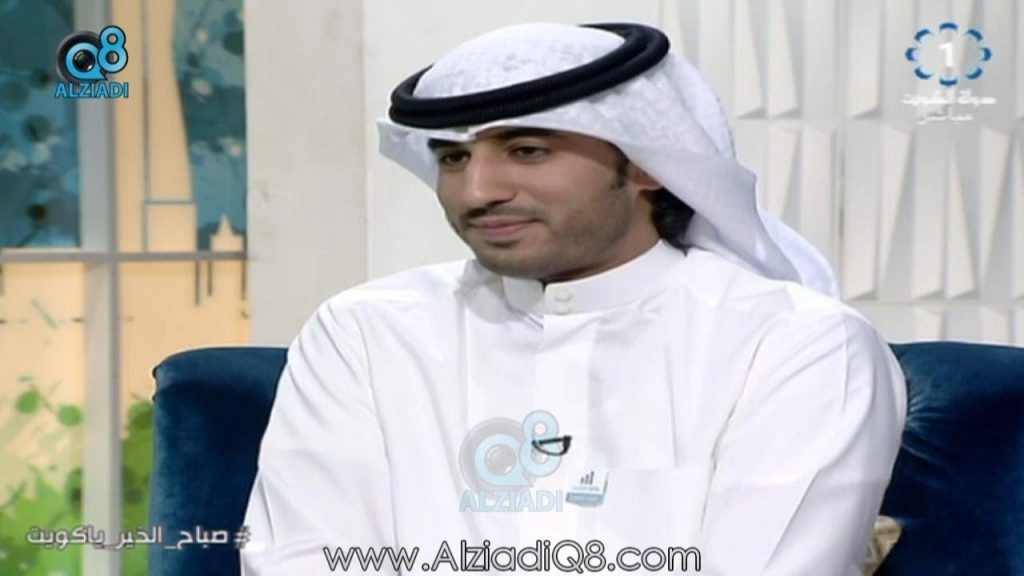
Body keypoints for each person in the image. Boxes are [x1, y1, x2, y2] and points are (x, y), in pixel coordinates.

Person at [241, 22, 906, 575]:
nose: (478, 192)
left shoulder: (796, 344)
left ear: (646, 164)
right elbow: (302, 558)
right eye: (452, 158)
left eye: (527, 150)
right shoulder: (365, 332)